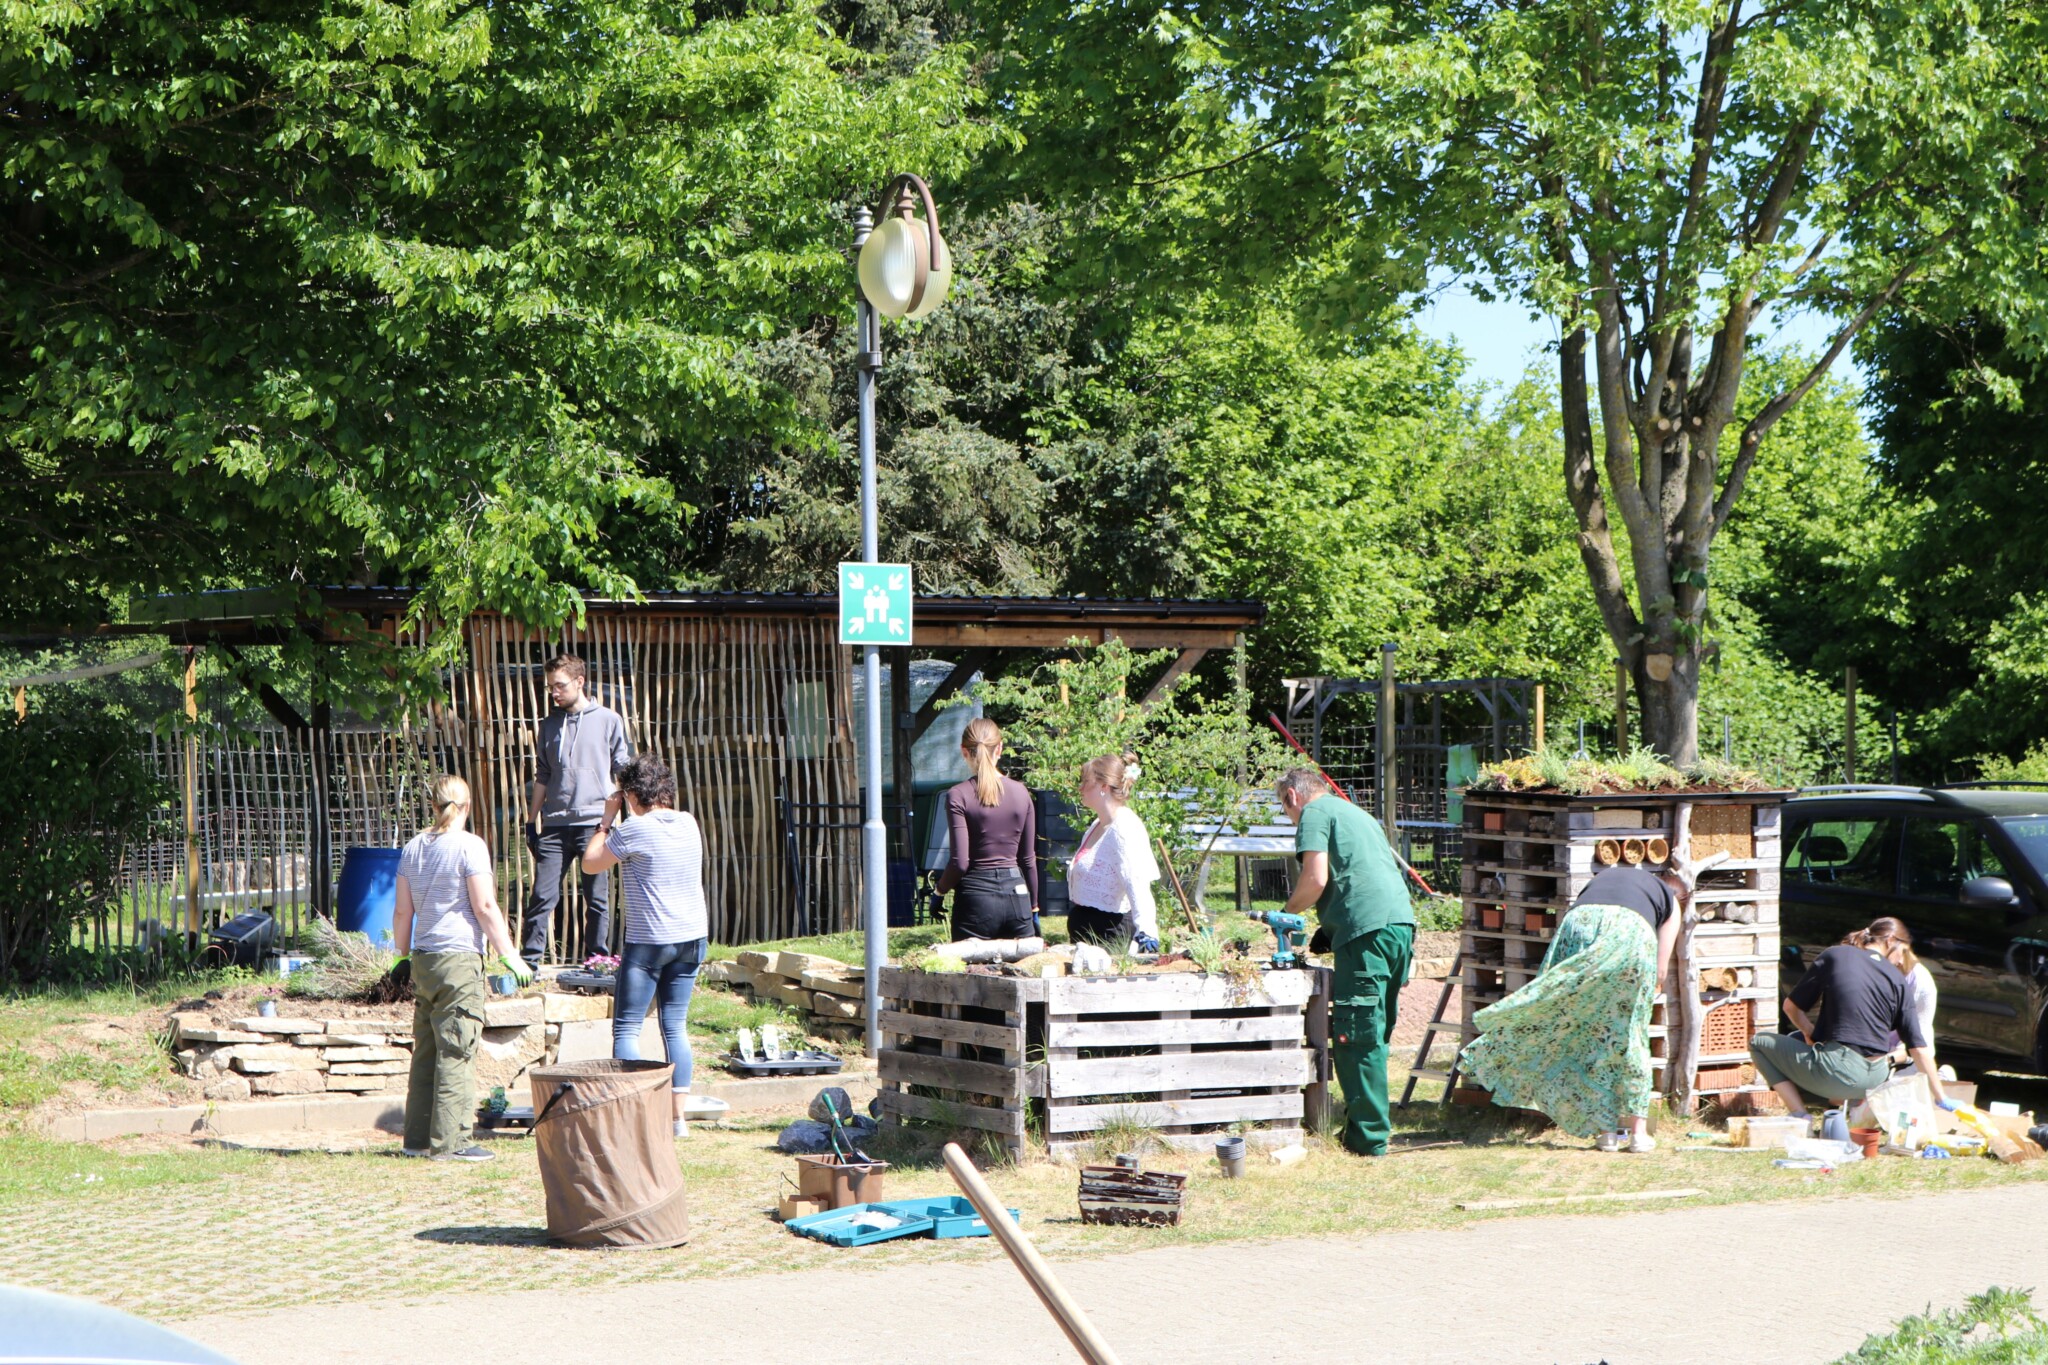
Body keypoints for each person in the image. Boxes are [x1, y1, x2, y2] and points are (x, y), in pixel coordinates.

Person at [1462, 863, 1683, 1153]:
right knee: (1631, 1034)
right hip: (1629, 932)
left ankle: (1606, 1133)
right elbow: (1661, 970)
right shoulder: (1671, 903)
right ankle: (1638, 1134)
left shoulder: (1607, 878)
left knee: (1582, 1027)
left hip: (1580, 920)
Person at [1275, 768, 1416, 1157]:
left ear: (1292, 796)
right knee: (1375, 1032)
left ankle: (1367, 1140)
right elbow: (1361, 875)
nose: (1290, 818)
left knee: (1356, 1035)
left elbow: (1315, 880)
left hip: (1367, 934)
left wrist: (1286, 913)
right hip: (1399, 926)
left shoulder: (1314, 813)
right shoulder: (1355, 813)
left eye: (1285, 809)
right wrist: (1331, 928)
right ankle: (1361, 1125)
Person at [392, 774, 533, 1161]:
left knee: (426, 1051)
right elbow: (484, 906)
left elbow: (403, 911)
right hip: (458, 960)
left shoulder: (413, 848)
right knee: (456, 1050)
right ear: (466, 807)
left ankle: (417, 1141)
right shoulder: (470, 846)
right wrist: (509, 954)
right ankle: (452, 1144)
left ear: (433, 806)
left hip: (423, 959)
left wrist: (399, 956)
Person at [582, 754, 707, 1138]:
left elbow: (590, 863)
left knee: (627, 1029)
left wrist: (606, 820)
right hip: (692, 938)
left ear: (632, 794)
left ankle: (633, 1118)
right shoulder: (688, 822)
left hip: (650, 941)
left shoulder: (633, 829)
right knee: (675, 1027)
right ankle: (677, 1121)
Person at [1753, 917, 1948, 1117]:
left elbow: (1790, 1007)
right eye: (1903, 951)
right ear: (1890, 941)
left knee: (1758, 1043)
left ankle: (1800, 1115)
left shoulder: (1836, 955)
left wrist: (1809, 1032)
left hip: (1838, 1072)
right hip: (1875, 1080)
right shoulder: (1897, 978)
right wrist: (1941, 1098)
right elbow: (1919, 1048)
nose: (1900, 960)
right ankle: (1837, 1110)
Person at [523, 653, 633, 967]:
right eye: (550, 687)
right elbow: (543, 775)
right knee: (542, 896)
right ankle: (529, 963)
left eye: (559, 685)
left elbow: (622, 771)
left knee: (596, 899)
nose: (554, 692)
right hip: (555, 825)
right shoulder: (549, 725)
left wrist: (626, 817)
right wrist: (531, 822)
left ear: (580, 681)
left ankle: (597, 962)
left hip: (595, 825)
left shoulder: (609, 720)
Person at [933, 719, 1040, 941]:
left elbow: (959, 863)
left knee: (970, 964)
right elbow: (1028, 860)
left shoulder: (958, 795)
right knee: (1021, 964)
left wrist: (939, 891)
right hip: (1017, 898)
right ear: (999, 748)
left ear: (964, 751)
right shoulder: (1021, 792)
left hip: (975, 901)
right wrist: (1034, 907)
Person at [1063, 752, 1161, 952]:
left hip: (1110, 934)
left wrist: (1146, 932)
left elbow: (1137, 882)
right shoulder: (1098, 825)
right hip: (1087, 931)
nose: (1080, 788)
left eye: (1086, 782)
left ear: (1104, 787)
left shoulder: (1124, 828)